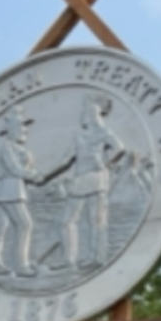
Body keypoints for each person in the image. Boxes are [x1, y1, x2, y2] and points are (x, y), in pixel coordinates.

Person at [54, 94, 124, 269]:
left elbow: (119, 148)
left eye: (87, 110)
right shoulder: (79, 136)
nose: (83, 114)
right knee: (66, 220)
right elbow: (65, 160)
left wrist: (107, 163)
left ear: (95, 112)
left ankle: (97, 257)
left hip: (97, 178)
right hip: (79, 180)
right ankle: (68, 259)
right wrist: (44, 176)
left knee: (97, 220)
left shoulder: (104, 133)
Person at [0, 106, 39, 277]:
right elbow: (14, 168)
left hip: (12, 190)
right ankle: (20, 265)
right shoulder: (6, 147)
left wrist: (33, 174)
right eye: (21, 126)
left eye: (25, 126)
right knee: (24, 224)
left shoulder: (22, 150)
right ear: (11, 129)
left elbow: (25, 169)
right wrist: (33, 176)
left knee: (1, 228)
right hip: (10, 191)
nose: (24, 130)